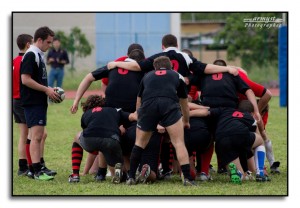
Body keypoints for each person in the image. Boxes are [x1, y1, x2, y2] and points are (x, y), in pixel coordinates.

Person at [124, 56, 195, 186]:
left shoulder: (147, 76)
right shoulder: (176, 75)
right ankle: (187, 178)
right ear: (171, 67)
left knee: (140, 142)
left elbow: (139, 99)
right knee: (178, 142)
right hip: (169, 105)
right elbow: (184, 102)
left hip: (148, 106)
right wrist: (186, 120)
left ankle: (131, 177)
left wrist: (140, 116)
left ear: (155, 68)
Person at [213, 59, 280, 173]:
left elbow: (267, 94)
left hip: (245, 110)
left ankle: (267, 165)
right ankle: (256, 169)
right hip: (236, 113)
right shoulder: (215, 79)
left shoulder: (240, 79)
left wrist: (255, 112)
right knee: (252, 137)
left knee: (259, 134)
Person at [20, 26, 60, 181]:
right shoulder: (31, 55)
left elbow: (36, 79)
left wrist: (49, 89)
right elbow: (25, 79)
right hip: (33, 102)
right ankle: (37, 171)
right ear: (39, 40)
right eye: (48, 42)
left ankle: (35, 168)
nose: (50, 45)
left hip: (38, 101)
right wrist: (46, 90)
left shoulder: (39, 54)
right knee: (37, 136)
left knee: (37, 135)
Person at [68, 95, 137, 183]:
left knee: (77, 137)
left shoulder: (86, 114)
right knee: (111, 157)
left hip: (90, 139)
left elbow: (88, 130)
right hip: (111, 139)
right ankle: (120, 172)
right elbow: (131, 116)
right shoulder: (115, 110)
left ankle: (75, 175)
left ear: (86, 107)